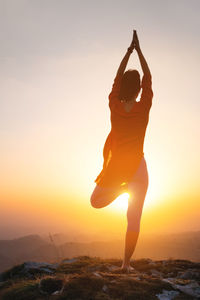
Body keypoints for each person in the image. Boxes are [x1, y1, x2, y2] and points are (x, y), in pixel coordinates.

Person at [90, 30, 153, 273]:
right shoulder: (144, 106)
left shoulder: (114, 105)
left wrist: (128, 52)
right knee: (134, 218)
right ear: (138, 89)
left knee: (95, 202)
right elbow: (148, 76)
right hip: (138, 166)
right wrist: (139, 50)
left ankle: (125, 265)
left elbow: (117, 77)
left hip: (117, 167)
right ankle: (126, 264)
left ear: (122, 88)